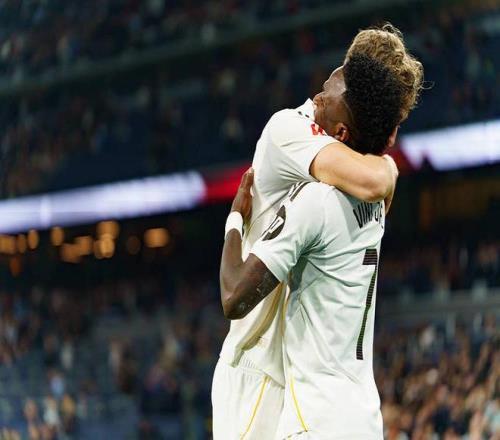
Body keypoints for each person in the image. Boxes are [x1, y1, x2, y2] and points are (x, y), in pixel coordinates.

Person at [212, 24, 423, 439]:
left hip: (302, 391)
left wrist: (234, 219)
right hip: (260, 364)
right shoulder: (287, 130)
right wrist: (389, 166)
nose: (317, 96)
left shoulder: (322, 196)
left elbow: (372, 180)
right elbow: (376, 181)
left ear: (343, 132)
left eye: (330, 92)